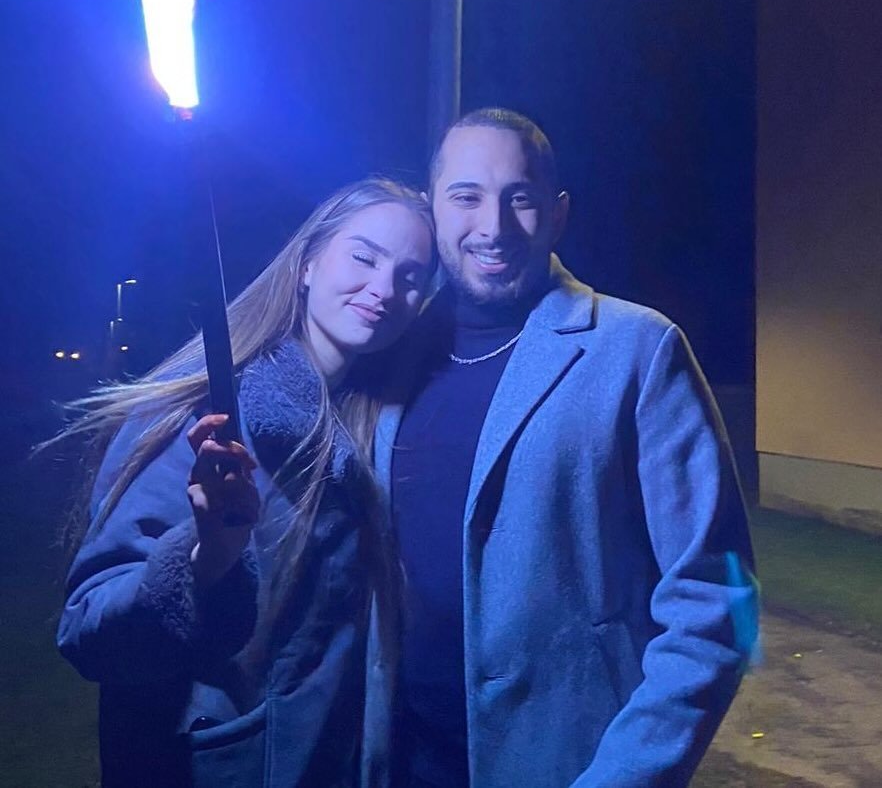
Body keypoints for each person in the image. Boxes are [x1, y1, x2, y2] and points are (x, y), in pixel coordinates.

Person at [361, 109, 759, 788]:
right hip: (401, 764)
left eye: (519, 197)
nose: (493, 226)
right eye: (466, 196)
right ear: (433, 210)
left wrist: (625, 777)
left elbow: (715, 600)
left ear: (557, 214)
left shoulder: (637, 349)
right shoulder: (390, 350)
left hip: (568, 767)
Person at [55, 178, 436, 788]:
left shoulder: (373, 427)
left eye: (411, 276)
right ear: (308, 264)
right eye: (364, 257)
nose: (384, 289)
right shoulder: (198, 414)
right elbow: (89, 633)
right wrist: (204, 560)